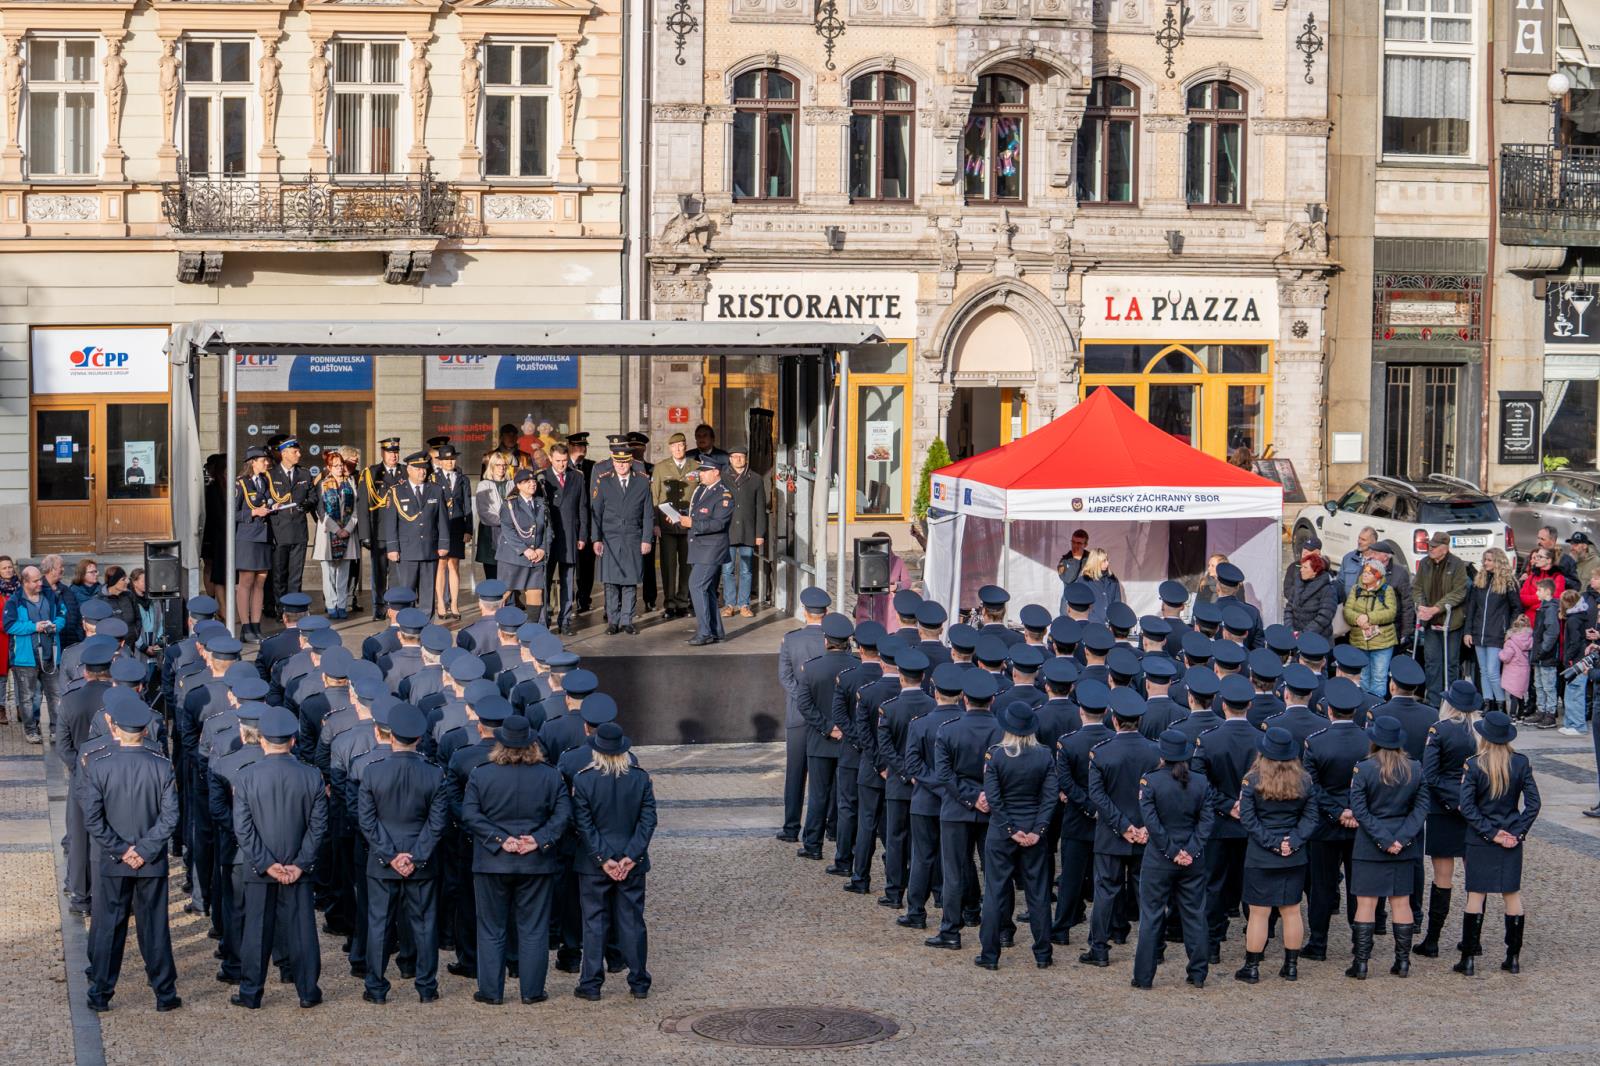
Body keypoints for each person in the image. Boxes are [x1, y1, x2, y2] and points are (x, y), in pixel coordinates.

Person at [76, 693, 181, 1013]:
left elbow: (92, 818)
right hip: (150, 861)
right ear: (145, 730)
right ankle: (164, 993)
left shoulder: (99, 765)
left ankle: (101, 993)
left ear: (115, 727)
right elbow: (170, 817)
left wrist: (122, 849)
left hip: (113, 859)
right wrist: (144, 850)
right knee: (155, 927)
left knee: (109, 927)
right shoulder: (162, 766)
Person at [461, 714, 570, 1005]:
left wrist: (499, 839)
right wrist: (538, 839)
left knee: (492, 928)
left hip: (492, 862)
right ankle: (532, 991)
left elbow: (470, 814)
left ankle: (491, 991)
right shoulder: (549, 774)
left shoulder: (482, 773)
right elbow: (562, 815)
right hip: (535, 861)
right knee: (533, 929)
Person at [229, 705, 327, 1010]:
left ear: (261, 740)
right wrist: (299, 863)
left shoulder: (246, 777)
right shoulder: (312, 776)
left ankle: (251, 992)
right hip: (297, 864)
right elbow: (318, 825)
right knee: (301, 930)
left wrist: (266, 863)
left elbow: (242, 828)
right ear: (293, 741)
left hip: (261, 868)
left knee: (256, 930)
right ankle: (307, 990)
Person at [357, 701, 449, 1003]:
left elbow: (367, 822)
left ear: (388, 735)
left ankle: (376, 986)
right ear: (419, 739)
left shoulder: (372, 772)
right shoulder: (434, 774)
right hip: (419, 861)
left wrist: (390, 855)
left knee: (379, 925)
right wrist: (415, 856)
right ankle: (425, 987)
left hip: (385, 862)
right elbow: (436, 823)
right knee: (424, 925)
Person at [570, 722, 657, 1000]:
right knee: (632, 921)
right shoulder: (639, 778)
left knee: (594, 923)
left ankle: (591, 984)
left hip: (593, 863)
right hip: (631, 861)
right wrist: (631, 856)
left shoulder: (583, 780)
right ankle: (639, 981)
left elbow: (584, 825)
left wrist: (603, 858)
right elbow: (647, 821)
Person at [974, 702, 1056, 971]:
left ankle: (990, 953)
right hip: (1033, 831)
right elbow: (1049, 798)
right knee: (1038, 894)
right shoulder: (1044, 755)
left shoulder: (996, 755)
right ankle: (1043, 953)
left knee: (996, 891)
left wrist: (1011, 829)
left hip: (1001, 832)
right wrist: (1037, 830)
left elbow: (994, 799)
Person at [1456, 710, 1540, 976]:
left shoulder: (1474, 764)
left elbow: (1467, 807)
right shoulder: (1520, 763)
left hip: (1481, 839)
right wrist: (1516, 832)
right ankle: (1512, 958)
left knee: (1475, 896)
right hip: (1510, 838)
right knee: (1511, 895)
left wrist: (1490, 833)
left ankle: (1468, 959)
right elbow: (1533, 804)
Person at [1345, 715, 1429, 979]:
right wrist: (1401, 839)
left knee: (1366, 904)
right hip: (1403, 844)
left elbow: (1359, 810)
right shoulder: (1415, 768)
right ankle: (1402, 962)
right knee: (1401, 903)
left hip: (1370, 844)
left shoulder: (1364, 768)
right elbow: (1421, 808)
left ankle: (1361, 964)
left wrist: (1383, 838)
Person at [1080, 689, 1159, 967]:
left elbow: (1098, 796)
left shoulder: (1101, 753)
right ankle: (1154, 949)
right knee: (1146, 893)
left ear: (1114, 719)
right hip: (1146, 833)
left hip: (1112, 834)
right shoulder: (1155, 751)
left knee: (1106, 891)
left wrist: (1124, 826)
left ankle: (1099, 948)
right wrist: (1141, 826)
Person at [927, 671, 1004, 952]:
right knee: (995, 872)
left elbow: (944, 775)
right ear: (992, 700)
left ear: (965, 699)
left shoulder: (948, 729)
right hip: (993, 810)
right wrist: (986, 797)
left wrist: (972, 798)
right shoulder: (1003, 731)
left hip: (957, 809)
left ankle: (950, 930)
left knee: (954, 872)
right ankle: (1001, 929)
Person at [1235, 726, 1317, 983]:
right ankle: (1290, 966)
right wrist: (1291, 841)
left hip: (1261, 854)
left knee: (1259, 913)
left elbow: (1248, 819)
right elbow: (1310, 817)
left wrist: (1272, 843)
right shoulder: (1304, 780)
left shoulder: (1252, 779)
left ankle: (1252, 967)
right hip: (1293, 853)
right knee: (1291, 910)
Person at [1133, 728, 1214, 989]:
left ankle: (1144, 977)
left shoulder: (1151, 781)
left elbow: (1152, 823)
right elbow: (1206, 822)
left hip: (1159, 859)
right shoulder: (1201, 782)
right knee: (1194, 915)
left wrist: (1171, 851)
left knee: (1151, 916)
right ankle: (1199, 973)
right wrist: (1189, 850)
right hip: (1192, 859)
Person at [1302, 679, 1371, 962]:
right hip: (1359, 824)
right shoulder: (1370, 742)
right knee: (1359, 886)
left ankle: (1318, 943)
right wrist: (1352, 810)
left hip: (1324, 826)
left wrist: (1336, 811)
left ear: (1330, 711)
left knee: (1321, 887)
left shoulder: (1316, 743)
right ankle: (1359, 941)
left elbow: (1312, 787)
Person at [1414, 680, 1480, 958]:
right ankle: (1471, 941)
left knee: (1443, 878)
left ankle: (1433, 940)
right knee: (1476, 879)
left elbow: (1429, 774)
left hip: (1444, 809)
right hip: (1474, 807)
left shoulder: (1439, 730)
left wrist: (1452, 801)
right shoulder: (1480, 732)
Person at [797, 614, 858, 860]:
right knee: (846, 799)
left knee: (818, 796)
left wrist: (828, 727)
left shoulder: (812, 668)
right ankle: (844, 847)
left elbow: (804, 705)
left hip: (821, 741)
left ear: (826, 641)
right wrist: (842, 728)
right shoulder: (857, 666)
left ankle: (813, 844)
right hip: (849, 742)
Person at [777, 588, 829, 843]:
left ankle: (790, 828)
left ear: (804, 612)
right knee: (826, 775)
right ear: (826, 612)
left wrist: (804, 700)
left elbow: (785, 678)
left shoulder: (790, 639)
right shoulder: (834, 638)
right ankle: (829, 827)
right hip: (826, 716)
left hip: (798, 715)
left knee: (795, 774)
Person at [590, 437, 654, 635]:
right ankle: (613, 621)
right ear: (613, 462)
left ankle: (627, 620)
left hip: (633, 538)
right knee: (611, 582)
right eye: (618, 462)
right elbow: (596, 513)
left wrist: (646, 539)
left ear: (630, 461)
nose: (621, 466)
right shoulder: (605, 481)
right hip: (610, 539)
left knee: (630, 581)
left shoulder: (642, 482)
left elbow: (648, 514)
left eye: (625, 462)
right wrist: (596, 539)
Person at [382, 451, 452, 619]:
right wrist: (392, 547)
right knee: (406, 591)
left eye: (425, 468)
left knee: (428, 593)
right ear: (409, 470)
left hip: (429, 548)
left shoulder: (435, 490)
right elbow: (391, 522)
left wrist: (443, 544)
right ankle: (408, 626)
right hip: (407, 550)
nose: (423, 472)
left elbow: (442, 519)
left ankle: (427, 625)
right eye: (418, 469)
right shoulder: (397, 492)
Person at [682, 459, 733, 647]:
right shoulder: (702, 490)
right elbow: (698, 514)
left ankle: (705, 633)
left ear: (716, 472)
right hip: (701, 548)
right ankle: (716, 631)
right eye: (700, 471)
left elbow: (719, 523)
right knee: (708, 589)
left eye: (705, 471)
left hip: (711, 549)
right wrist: (682, 518)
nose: (700, 474)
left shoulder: (723, 494)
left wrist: (692, 524)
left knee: (696, 585)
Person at [1463, 548, 1519, 717]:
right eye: (1485, 560)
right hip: (1479, 632)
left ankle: (1501, 705)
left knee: (1493, 671)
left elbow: (1516, 607)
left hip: (1497, 633)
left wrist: (1510, 629)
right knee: (1483, 671)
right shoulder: (1479, 581)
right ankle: (1488, 702)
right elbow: (1472, 608)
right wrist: (1468, 631)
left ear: (1498, 562)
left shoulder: (1508, 583)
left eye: (1489, 560)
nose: (1485, 563)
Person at [540, 443, 589, 635]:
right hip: (548, 538)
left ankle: (565, 620)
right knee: (545, 579)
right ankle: (544, 621)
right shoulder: (542, 478)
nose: (561, 465)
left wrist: (583, 535)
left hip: (570, 535)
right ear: (550, 459)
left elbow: (583, 507)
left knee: (568, 579)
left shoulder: (577, 477)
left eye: (564, 461)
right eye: (558, 461)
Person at [1414, 532, 1469, 704]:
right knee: (1432, 663)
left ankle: (1451, 701)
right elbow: (1417, 587)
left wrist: (1436, 609)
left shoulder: (1457, 564)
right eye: (1430, 545)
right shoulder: (1425, 563)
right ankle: (1433, 701)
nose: (1431, 549)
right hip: (1431, 622)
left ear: (1445, 549)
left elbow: (1459, 592)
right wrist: (1421, 606)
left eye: (1435, 546)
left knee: (1451, 663)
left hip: (1450, 622)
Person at [650, 432, 696, 620]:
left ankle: (682, 602)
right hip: (667, 526)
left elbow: (699, 496)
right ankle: (669, 603)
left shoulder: (696, 467)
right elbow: (654, 497)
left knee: (687, 565)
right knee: (668, 565)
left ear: (686, 446)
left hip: (688, 526)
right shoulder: (660, 468)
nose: (678, 449)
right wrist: (655, 523)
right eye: (674, 446)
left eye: (681, 445)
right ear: (670, 448)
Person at [360, 438, 407, 619]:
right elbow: (363, 504)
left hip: (400, 531)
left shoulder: (405, 471)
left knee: (397, 573)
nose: (393, 455)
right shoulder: (372, 473)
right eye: (390, 452)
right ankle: (379, 608)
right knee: (379, 573)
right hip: (379, 532)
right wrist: (365, 534)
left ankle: (395, 608)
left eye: (396, 452)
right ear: (382, 453)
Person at [265, 437, 315, 604]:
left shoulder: (305, 473)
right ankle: (280, 607)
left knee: (296, 574)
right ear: (284, 453)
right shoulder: (271, 475)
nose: (299, 454)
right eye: (295, 452)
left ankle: (294, 607)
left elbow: (312, 496)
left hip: (299, 531)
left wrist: (307, 505)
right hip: (279, 531)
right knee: (279, 573)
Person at [497, 468, 550, 620]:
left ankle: (532, 630)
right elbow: (508, 530)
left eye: (533, 481)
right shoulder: (510, 505)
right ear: (518, 485)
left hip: (536, 558)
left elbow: (549, 531)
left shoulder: (541, 504)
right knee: (505, 593)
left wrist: (542, 549)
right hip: (514, 557)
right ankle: (494, 626)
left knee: (535, 592)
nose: (532, 484)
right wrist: (525, 550)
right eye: (527, 482)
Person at [234, 447, 274, 643]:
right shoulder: (241, 484)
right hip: (248, 538)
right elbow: (232, 514)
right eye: (263, 460)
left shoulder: (265, 481)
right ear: (252, 462)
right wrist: (253, 513)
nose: (267, 463)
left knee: (261, 581)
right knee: (246, 582)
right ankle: (246, 626)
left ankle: (256, 627)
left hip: (264, 537)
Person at [721, 447, 766, 618]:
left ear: (746, 458)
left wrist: (760, 533)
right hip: (728, 530)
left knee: (746, 570)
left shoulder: (755, 479)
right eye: (735, 456)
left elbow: (760, 508)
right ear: (730, 459)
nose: (739, 459)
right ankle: (729, 604)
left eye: (742, 456)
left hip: (748, 531)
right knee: (727, 570)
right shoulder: (723, 477)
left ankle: (744, 604)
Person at [314, 450, 360, 620]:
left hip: (348, 533)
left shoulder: (351, 483)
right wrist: (336, 529)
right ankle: (331, 604)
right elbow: (320, 510)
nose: (340, 468)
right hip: (328, 534)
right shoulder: (323, 484)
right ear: (329, 467)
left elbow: (355, 509)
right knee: (329, 573)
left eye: (341, 465)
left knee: (343, 573)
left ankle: (342, 604)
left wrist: (348, 528)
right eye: (336, 466)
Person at [431, 444, 473, 622]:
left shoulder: (463, 479)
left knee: (453, 565)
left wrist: (468, 529)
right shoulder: (433, 478)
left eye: (452, 458)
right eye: (446, 459)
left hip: (457, 525)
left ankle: (454, 603)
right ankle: (440, 602)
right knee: (441, 564)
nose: (450, 462)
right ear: (440, 461)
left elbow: (467, 506)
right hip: (440, 526)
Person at [1344, 562, 1398, 697]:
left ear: (1378, 575)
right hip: (1359, 641)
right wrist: (1358, 619)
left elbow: (1391, 612)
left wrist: (1368, 618)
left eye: (1369, 573)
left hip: (1382, 642)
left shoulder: (1387, 590)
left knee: (1379, 679)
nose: (1365, 575)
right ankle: (1363, 707)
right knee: (1362, 678)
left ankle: (1376, 708)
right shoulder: (1356, 589)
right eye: (1364, 572)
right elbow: (1347, 611)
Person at [852, 535, 912, 631]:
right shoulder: (863, 560)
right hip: (868, 606)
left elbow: (907, 582)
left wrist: (897, 587)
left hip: (889, 608)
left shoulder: (897, 561)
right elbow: (854, 583)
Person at [475, 451, 512, 583]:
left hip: (510, 534)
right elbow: (485, 512)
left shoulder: (512, 485)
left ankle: (509, 602)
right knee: (493, 576)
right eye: (498, 465)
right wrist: (507, 520)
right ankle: (493, 603)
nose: (501, 468)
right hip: (490, 535)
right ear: (491, 467)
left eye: (504, 465)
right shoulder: (483, 485)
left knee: (508, 575)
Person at [1529, 579, 1561, 729]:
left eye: (1539, 590)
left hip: (1546, 655)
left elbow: (1552, 632)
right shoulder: (1543, 608)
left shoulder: (1550, 609)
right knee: (1539, 684)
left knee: (1548, 685)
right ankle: (1541, 710)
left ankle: (1550, 713)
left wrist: (1543, 649)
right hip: (1539, 654)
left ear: (1547, 591)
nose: (1536, 593)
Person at [1286, 552, 1337, 641]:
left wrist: (1303, 634)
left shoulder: (1328, 590)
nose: (1301, 570)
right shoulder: (1298, 583)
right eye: (1301, 566)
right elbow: (1289, 608)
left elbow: (1324, 617)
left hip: (1317, 640)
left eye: (1305, 567)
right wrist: (1290, 630)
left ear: (1315, 571)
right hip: (1294, 637)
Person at [201, 453, 230, 603]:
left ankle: (217, 603)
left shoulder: (227, 487)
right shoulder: (213, 488)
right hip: (213, 534)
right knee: (210, 566)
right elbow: (216, 515)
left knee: (216, 568)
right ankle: (212, 600)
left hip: (221, 534)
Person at [1499, 613, 1534, 722]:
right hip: (1524, 670)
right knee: (1520, 693)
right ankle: (1521, 714)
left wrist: (1500, 653)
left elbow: (1506, 657)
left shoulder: (1510, 642)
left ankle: (1512, 715)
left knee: (1513, 695)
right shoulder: (1529, 639)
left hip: (1512, 671)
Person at [1519, 547, 1565, 626]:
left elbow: (1553, 602)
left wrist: (1531, 602)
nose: (1536, 559)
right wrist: (1541, 598)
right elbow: (1522, 598)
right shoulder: (1532, 576)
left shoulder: (1558, 578)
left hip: (1544, 622)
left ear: (1549, 560)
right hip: (1528, 621)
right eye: (1536, 556)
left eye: (1540, 557)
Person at [1077, 549, 1124, 627]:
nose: (1107, 563)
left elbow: (1117, 603)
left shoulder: (1113, 580)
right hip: (1091, 625)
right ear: (1095, 562)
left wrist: (1115, 623)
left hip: (1110, 626)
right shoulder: (1084, 580)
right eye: (1104, 561)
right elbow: (1079, 606)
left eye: (1107, 560)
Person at [126, 570, 163, 665]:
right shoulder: (130, 601)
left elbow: (160, 621)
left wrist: (158, 642)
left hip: (155, 646)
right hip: (138, 647)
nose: (147, 583)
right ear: (134, 582)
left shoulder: (154, 600)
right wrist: (143, 647)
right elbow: (132, 626)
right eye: (143, 581)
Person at [1337, 527, 1379, 601]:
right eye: (1359, 538)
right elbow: (1339, 583)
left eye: (1363, 540)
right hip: (1347, 605)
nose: (1359, 541)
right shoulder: (1348, 558)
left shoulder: (1379, 562)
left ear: (1373, 542)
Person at [1055, 529, 1091, 613]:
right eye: (1073, 542)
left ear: (1085, 545)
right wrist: (1076, 560)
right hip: (1068, 603)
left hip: (1086, 603)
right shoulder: (1064, 560)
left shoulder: (1091, 559)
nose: (1075, 545)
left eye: (1079, 543)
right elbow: (1068, 579)